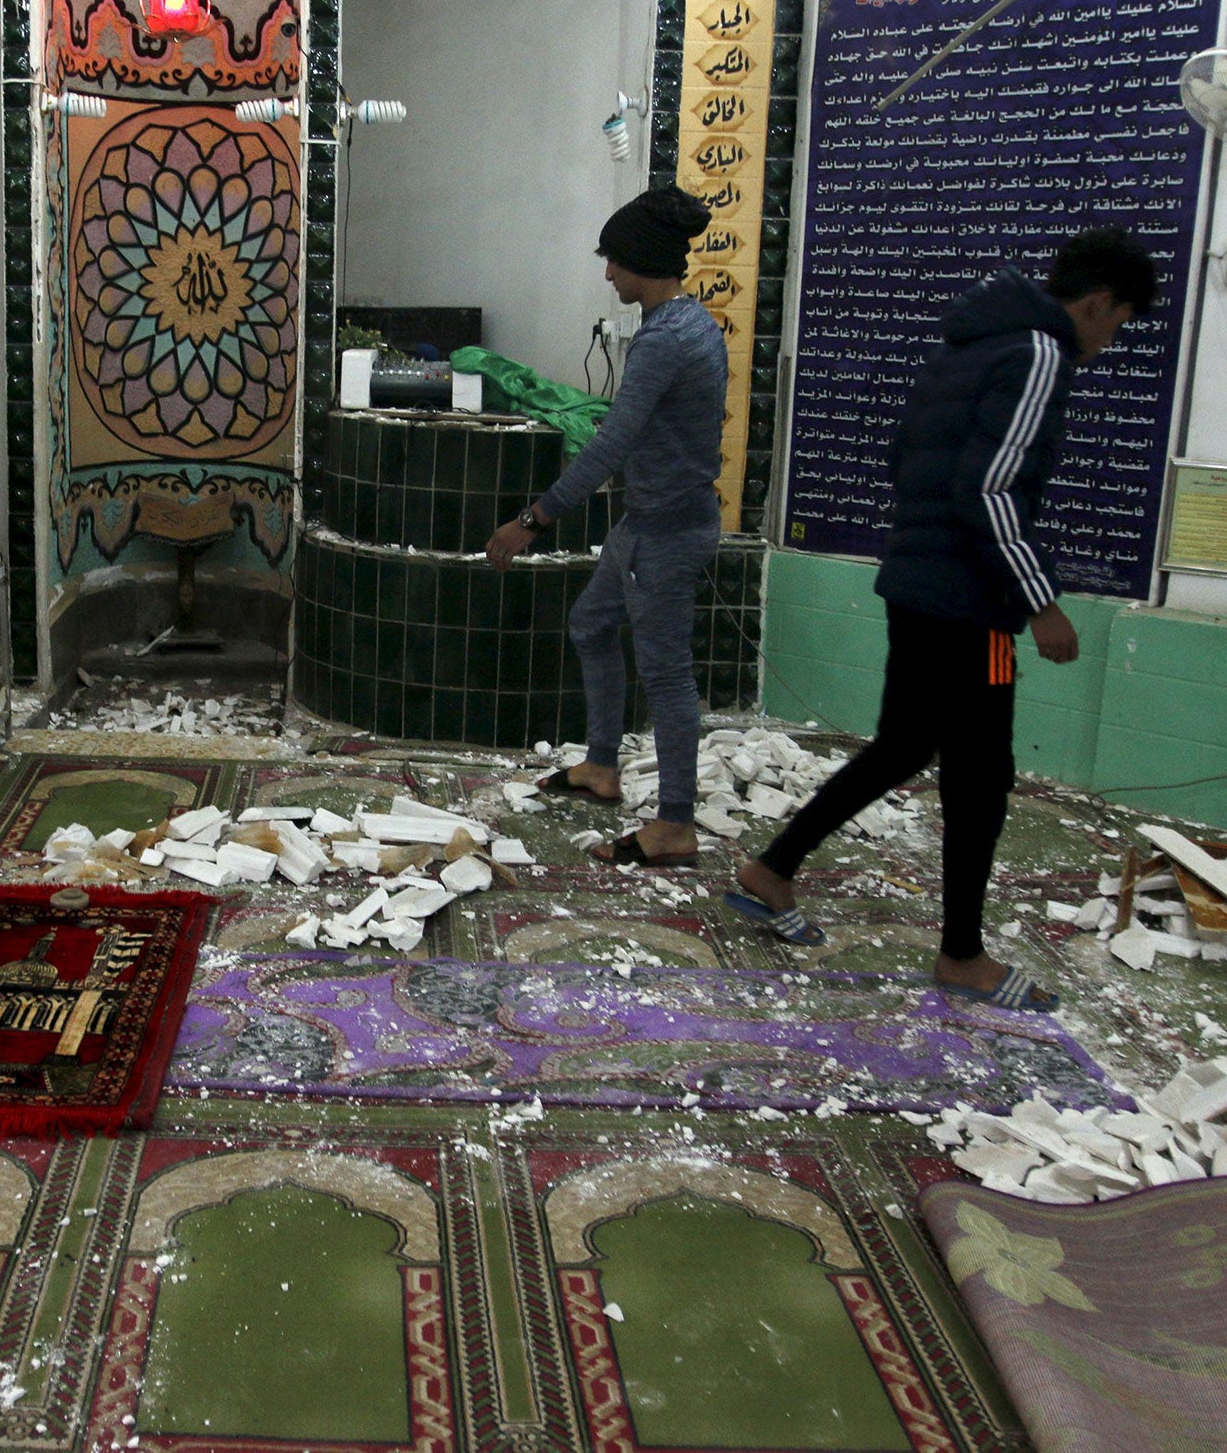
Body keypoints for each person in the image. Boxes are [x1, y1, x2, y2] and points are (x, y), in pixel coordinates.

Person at [726, 227, 1159, 1011]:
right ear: (1098, 304)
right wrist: (1040, 601)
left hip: (920, 588)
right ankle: (962, 954)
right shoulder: (1039, 353)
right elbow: (990, 489)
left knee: (903, 745)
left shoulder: (972, 343)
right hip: (976, 611)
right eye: (1117, 325)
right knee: (982, 776)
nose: (1108, 341)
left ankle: (772, 869)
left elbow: (906, 459)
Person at [486, 183, 728, 867]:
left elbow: (612, 442)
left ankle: (675, 823)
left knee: (669, 677)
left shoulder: (665, 342)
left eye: (614, 261)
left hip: (667, 533)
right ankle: (600, 767)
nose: (607, 274)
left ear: (643, 261)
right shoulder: (689, 324)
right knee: (591, 624)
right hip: (646, 522)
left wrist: (533, 519)